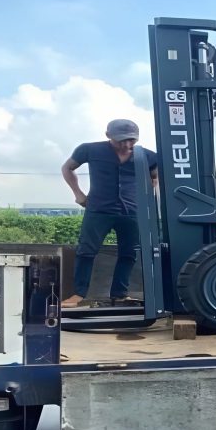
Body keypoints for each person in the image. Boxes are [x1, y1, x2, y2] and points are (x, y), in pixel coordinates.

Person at [60, 119, 158, 308]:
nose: (127, 145)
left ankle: (119, 295)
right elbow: (67, 168)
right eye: (121, 140)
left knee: (129, 254)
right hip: (98, 209)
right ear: (108, 136)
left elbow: (155, 177)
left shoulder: (147, 156)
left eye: (131, 140)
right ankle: (78, 294)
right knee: (86, 251)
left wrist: (148, 198)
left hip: (132, 212)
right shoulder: (89, 150)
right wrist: (78, 194)